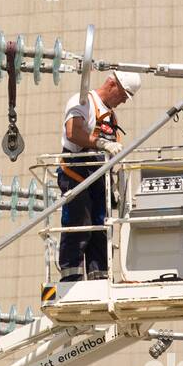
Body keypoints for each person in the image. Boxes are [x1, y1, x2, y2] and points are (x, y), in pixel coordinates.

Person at [57, 70, 141, 281]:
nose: (123, 100)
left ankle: (100, 278)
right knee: (79, 225)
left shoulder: (110, 114)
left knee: (101, 228)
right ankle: (71, 279)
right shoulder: (83, 101)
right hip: (77, 174)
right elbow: (73, 132)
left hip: (100, 178)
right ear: (112, 84)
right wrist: (101, 143)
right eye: (123, 94)